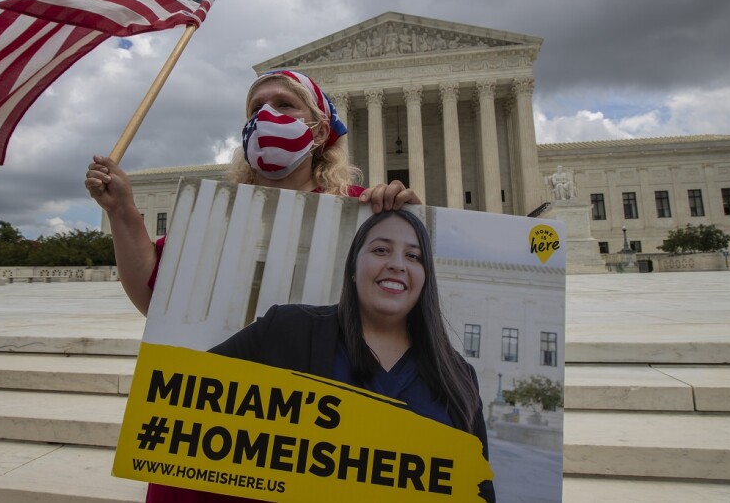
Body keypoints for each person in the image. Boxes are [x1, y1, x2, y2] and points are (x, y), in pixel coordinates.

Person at [147, 209, 495, 502]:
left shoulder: (458, 377)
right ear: (352, 268)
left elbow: (479, 490)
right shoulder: (287, 330)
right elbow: (182, 399)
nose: (397, 264)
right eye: (380, 250)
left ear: (425, 278)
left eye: (414, 256)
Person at [86, 70, 421, 315]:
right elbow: (155, 298)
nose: (266, 115)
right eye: (256, 108)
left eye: (284, 104)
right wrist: (122, 211)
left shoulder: (360, 209)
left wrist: (409, 225)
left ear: (319, 132)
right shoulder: (216, 211)